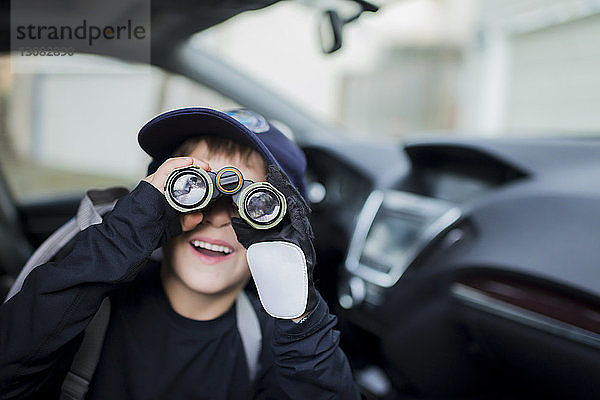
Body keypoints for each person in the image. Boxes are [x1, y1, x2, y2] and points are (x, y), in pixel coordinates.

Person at [0, 108, 361, 399]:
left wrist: (297, 314)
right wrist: (125, 232)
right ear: (157, 205)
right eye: (192, 188)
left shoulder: (277, 345)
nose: (219, 218)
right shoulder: (89, 310)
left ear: (280, 224)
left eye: (250, 205)